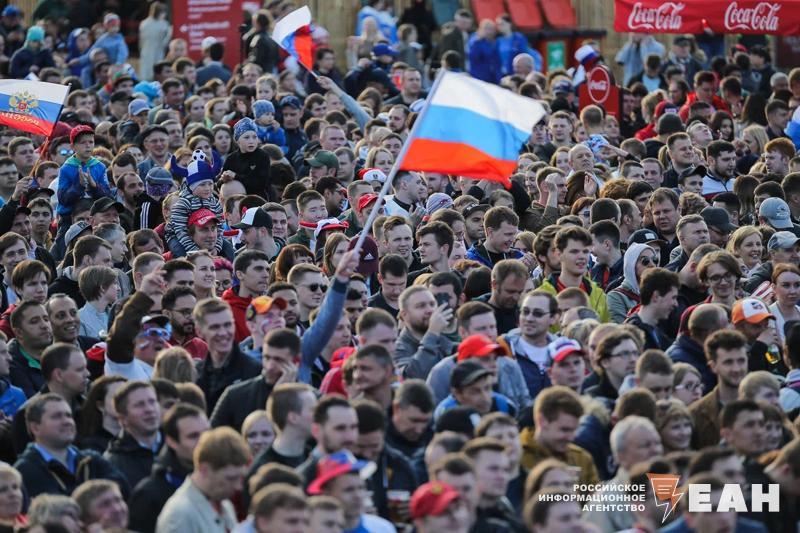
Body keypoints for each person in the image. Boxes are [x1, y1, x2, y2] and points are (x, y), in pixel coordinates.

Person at [14, 393, 128, 498]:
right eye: (56, 416)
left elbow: (124, 494)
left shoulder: (92, 461)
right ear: (35, 428)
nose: (67, 421)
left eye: (68, 415)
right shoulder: (25, 471)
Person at [128, 402, 210, 533]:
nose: (204, 441)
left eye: (207, 433)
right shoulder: (149, 495)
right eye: (193, 436)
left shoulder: (225, 481)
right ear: (171, 442)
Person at [156, 427, 251, 533]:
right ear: (204, 469)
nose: (238, 487)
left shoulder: (225, 504)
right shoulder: (180, 516)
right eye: (230, 478)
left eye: (240, 478)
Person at [210, 327, 300, 430]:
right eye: (266, 358)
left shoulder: (309, 400)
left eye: (278, 360)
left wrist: (281, 396)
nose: (270, 366)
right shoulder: (235, 395)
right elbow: (210, 436)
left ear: (295, 362)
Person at [520, 386, 599, 485]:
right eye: (565, 430)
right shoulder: (516, 458)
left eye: (574, 430)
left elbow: (594, 494)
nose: (571, 438)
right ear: (542, 421)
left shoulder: (582, 459)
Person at [689, 329, 749, 449]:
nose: (736, 368)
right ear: (713, 366)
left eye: (741, 361)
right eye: (728, 362)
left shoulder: (763, 406)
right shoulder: (696, 414)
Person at [539, 226, 609, 321]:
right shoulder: (542, 296)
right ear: (558, 254)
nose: (581, 256)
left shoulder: (599, 295)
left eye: (585, 252)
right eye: (574, 251)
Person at [104, 380, 162, 489]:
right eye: (139, 405)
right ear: (122, 418)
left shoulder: (180, 442)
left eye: (152, 401)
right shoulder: (113, 464)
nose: (149, 409)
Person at [624, 268, 679, 350]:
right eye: (673, 298)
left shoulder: (656, 332)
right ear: (656, 296)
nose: (676, 304)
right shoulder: (633, 335)